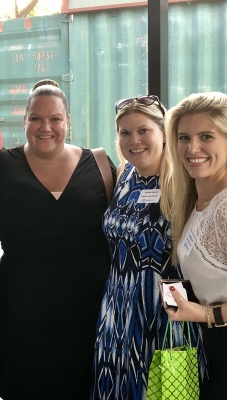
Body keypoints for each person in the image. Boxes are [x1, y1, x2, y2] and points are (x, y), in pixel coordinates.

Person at [0, 79, 116, 399]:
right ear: (24, 120)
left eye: (55, 118)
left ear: (68, 121)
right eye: (36, 118)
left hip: (87, 310)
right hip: (23, 310)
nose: (45, 127)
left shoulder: (99, 166)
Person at [90, 95, 182, 400]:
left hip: (161, 311)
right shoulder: (124, 175)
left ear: (163, 133)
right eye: (125, 132)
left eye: (144, 130)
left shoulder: (181, 180)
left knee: (161, 392)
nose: (134, 140)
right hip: (116, 307)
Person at [161, 91, 227, 400]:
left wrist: (205, 314)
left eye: (206, 136)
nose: (192, 148)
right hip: (212, 349)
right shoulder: (196, 198)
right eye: (184, 137)